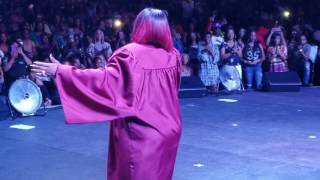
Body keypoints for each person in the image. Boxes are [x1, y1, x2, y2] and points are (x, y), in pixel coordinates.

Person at [31, 8, 182, 180]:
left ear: (140, 26)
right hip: (170, 131)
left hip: (142, 134)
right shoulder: (173, 55)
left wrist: (62, 71)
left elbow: (104, 81)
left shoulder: (130, 54)